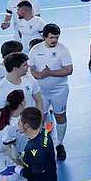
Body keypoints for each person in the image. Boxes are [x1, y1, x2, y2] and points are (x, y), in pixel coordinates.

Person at [28, 23, 73, 161]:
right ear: (44, 37)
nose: (54, 40)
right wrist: (37, 75)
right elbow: (31, 69)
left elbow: (69, 70)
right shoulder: (35, 50)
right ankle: (43, 144)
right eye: (51, 37)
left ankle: (59, 144)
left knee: (60, 116)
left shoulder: (63, 50)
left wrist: (49, 73)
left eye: (56, 37)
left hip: (59, 90)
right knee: (41, 118)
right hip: (41, 92)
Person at [16, 107, 59, 181]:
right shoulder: (44, 133)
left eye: (19, 122)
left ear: (26, 126)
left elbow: (32, 174)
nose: (17, 124)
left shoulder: (31, 149)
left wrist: (16, 169)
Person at [0, 89, 28, 181]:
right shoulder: (11, 126)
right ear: (22, 103)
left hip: (17, 160)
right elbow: (10, 151)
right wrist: (21, 164)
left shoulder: (14, 118)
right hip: (13, 163)